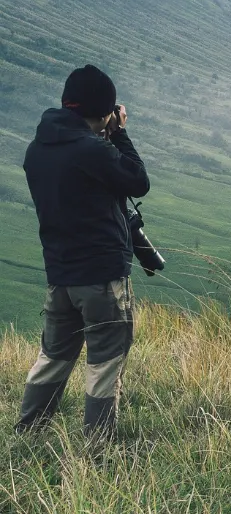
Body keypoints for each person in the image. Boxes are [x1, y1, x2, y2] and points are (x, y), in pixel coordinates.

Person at [16, 64, 150, 436]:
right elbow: (138, 181)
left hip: (60, 277)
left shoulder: (36, 150)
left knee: (53, 359)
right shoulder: (93, 149)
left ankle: (29, 433)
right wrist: (119, 134)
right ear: (105, 111)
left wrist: (103, 133)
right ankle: (96, 454)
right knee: (104, 365)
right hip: (102, 279)